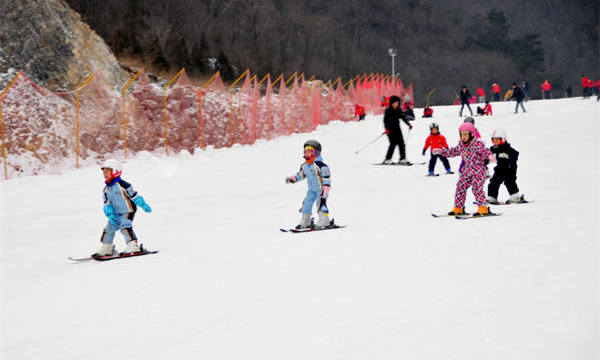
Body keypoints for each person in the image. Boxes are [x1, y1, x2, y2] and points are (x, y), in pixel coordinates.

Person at [93, 159, 152, 257]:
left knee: (125, 225)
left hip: (127, 210)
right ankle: (106, 247)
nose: (105, 173)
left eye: (108, 171)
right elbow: (107, 203)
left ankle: (133, 245)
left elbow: (135, 196)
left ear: (115, 171)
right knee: (109, 228)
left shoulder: (123, 185)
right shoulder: (106, 189)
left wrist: (143, 205)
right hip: (116, 213)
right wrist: (110, 214)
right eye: (104, 171)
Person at [433, 122, 495, 216]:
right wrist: (441, 151)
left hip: (478, 171)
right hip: (467, 171)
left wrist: (490, 156)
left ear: (472, 134)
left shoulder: (477, 144)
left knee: (476, 188)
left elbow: (485, 151)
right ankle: (458, 208)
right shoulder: (461, 145)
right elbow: (452, 152)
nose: (463, 137)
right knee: (460, 186)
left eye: (466, 134)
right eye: (462, 135)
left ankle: (483, 208)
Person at [286, 140, 331, 229]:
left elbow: (326, 177)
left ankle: (324, 219)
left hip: (321, 189)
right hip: (311, 190)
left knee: (320, 203)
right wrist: (294, 179)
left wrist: (326, 188)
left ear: (316, 152)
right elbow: (301, 175)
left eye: (310, 151)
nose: (307, 153)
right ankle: (306, 219)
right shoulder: (305, 166)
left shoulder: (320, 165)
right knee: (307, 203)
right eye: (305, 151)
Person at [487, 129, 525, 204]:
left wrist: (511, 161)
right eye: (493, 141)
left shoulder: (507, 148)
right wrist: (485, 161)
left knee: (510, 182)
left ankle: (515, 197)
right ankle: (492, 197)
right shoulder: (494, 149)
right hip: (499, 170)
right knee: (493, 182)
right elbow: (488, 155)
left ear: (503, 140)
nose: (495, 143)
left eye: (497, 140)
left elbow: (515, 153)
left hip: (509, 169)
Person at [382, 95, 413, 164]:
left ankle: (402, 158)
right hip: (390, 130)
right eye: (395, 103)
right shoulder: (388, 111)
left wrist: (409, 124)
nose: (397, 104)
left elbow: (403, 118)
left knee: (401, 143)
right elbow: (385, 121)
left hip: (397, 129)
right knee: (393, 143)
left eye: (398, 103)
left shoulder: (398, 110)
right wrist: (386, 129)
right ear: (392, 103)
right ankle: (388, 159)